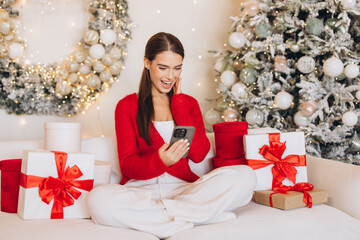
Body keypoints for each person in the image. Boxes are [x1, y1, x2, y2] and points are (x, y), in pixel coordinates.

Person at [86, 32, 256, 239]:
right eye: (163, 68)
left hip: (185, 190)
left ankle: (165, 217)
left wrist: (180, 104)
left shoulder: (188, 103)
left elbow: (199, 154)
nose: (170, 76)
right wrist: (160, 161)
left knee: (246, 176)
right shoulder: (127, 106)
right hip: (141, 191)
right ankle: (199, 216)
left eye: (177, 68)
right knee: (98, 199)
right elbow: (128, 165)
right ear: (147, 63)